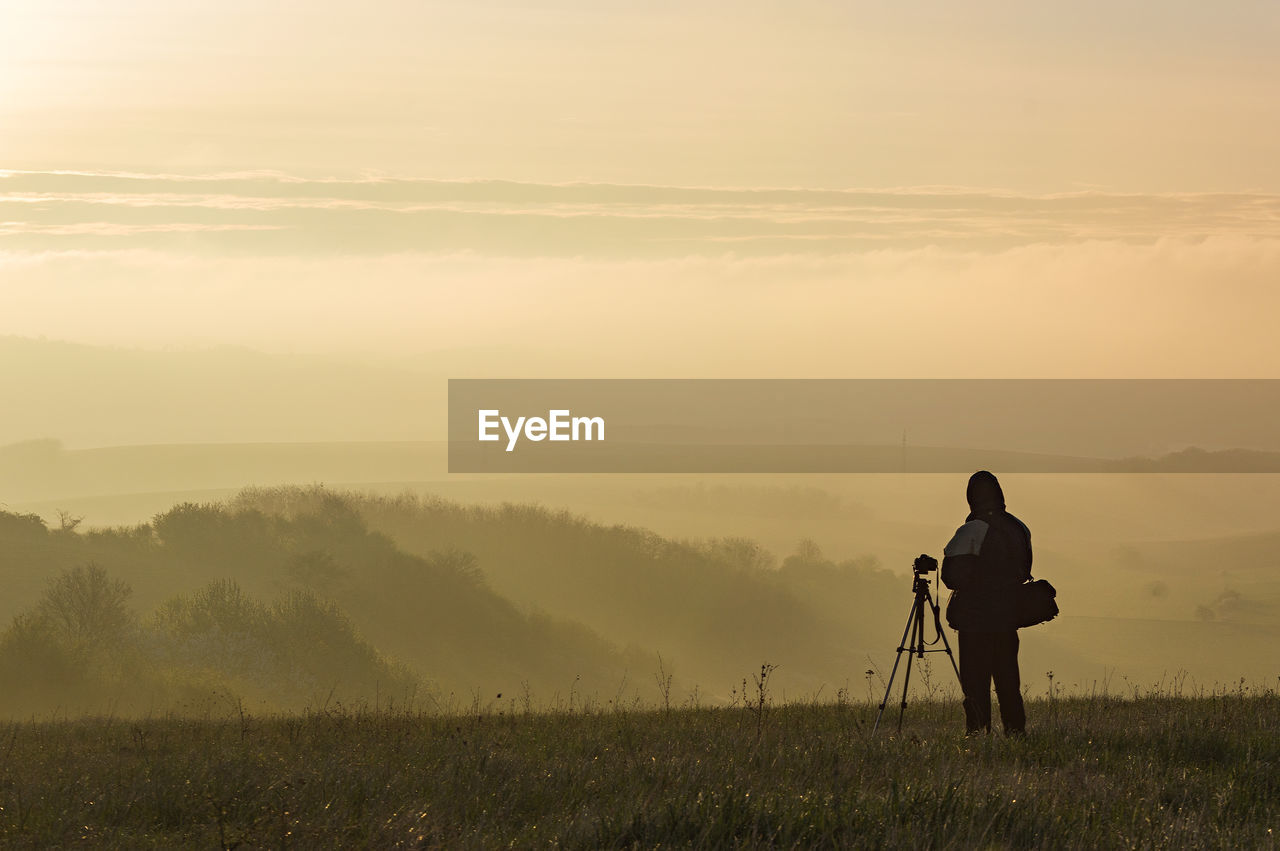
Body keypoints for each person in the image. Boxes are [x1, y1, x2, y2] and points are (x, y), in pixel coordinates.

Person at [941, 470, 1032, 735]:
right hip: (1008, 616)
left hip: (975, 620)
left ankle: (978, 735)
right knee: (1008, 682)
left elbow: (951, 577)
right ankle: (1016, 733)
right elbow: (1024, 569)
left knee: (975, 683)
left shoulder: (972, 529)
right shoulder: (1018, 527)